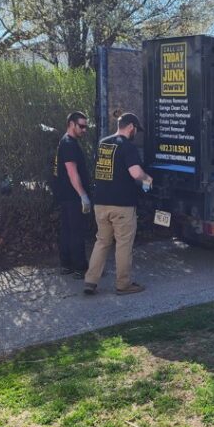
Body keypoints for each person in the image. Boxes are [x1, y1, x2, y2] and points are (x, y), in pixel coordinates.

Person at [83, 112, 152, 296]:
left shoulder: (103, 143)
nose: (135, 133)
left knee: (102, 242)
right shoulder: (127, 147)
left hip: (100, 203)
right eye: (135, 130)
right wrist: (148, 179)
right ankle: (123, 284)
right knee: (123, 244)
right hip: (122, 205)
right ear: (131, 127)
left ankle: (90, 281)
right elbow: (136, 174)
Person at [52, 111, 92, 278]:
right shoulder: (69, 144)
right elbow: (72, 172)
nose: (84, 130)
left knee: (67, 230)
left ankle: (66, 264)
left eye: (86, 126)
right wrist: (83, 195)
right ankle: (80, 268)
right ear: (71, 124)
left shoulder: (65, 141)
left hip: (65, 194)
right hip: (73, 195)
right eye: (81, 126)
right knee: (76, 231)